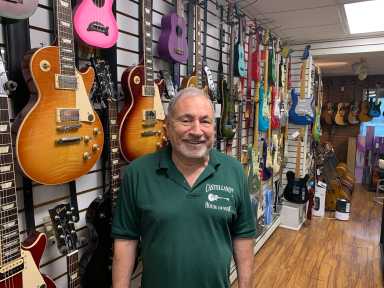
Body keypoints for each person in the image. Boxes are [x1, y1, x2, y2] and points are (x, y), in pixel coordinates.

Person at [112, 87, 256, 288]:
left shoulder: (234, 171)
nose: (197, 131)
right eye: (186, 120)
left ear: (214, 128)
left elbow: (243, 236)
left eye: (205, 121)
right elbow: (125, 241)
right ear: (168, 128)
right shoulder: (138, 173)